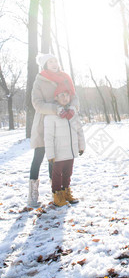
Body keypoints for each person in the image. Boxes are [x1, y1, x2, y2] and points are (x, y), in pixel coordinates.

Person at [28, 53, 79, 207]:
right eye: (50, 61)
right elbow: (37, 103)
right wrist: (55, 108)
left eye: (55, 60)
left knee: (56, 158)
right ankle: (33, 193)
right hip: (44, 122)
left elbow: (74, 97)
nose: (54, 63)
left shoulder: (65, 78)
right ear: (45, 65)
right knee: (39, 155)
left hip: (62, 122)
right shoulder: (39, 81)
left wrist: (72, 108)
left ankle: (56, 192)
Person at [44, 84, 85, 207]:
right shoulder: (51, 116)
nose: (65, 97)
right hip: (58, 153)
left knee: (68, 173)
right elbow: (48, 137)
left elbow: (79, 130)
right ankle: (57, 194)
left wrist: (81, 146)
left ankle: (66, 191)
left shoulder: (73, 113)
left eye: (67, 95)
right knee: (57, 175)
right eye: (61, 95)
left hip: (71, 151)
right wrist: (50, 154)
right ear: (55, 98)